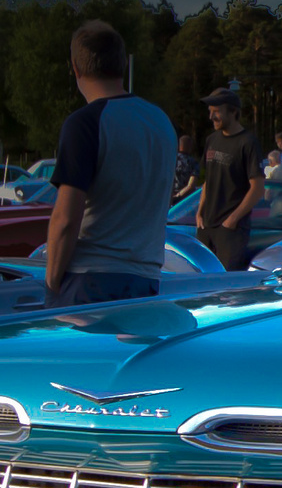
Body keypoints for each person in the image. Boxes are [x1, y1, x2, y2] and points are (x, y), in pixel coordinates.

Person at [46, 20, 177, 307]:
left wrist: (53, 281)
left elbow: (66, 218)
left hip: (90, 280)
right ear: (122, 66)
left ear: (76, 68)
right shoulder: (161, 122)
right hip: (147, 279)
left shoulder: (85, 123)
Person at [193, 87, 265, 271]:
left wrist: (232, 220)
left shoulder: (247, 143)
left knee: (224, 289)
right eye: (210, 112)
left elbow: (257, 188)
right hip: (206, 226)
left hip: (231, 231)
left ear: (233, 111)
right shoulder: (211, 140)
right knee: (200, 284)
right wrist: (199, 212)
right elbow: (208, 180)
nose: (211, 117)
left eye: (216, 112)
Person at [173, 134, 199, 199]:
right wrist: (177, 197)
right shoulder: (193, 163)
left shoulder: (170, 159)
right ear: (190, 147)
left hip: (167, 197)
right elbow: (191, 186)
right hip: (183, 199)